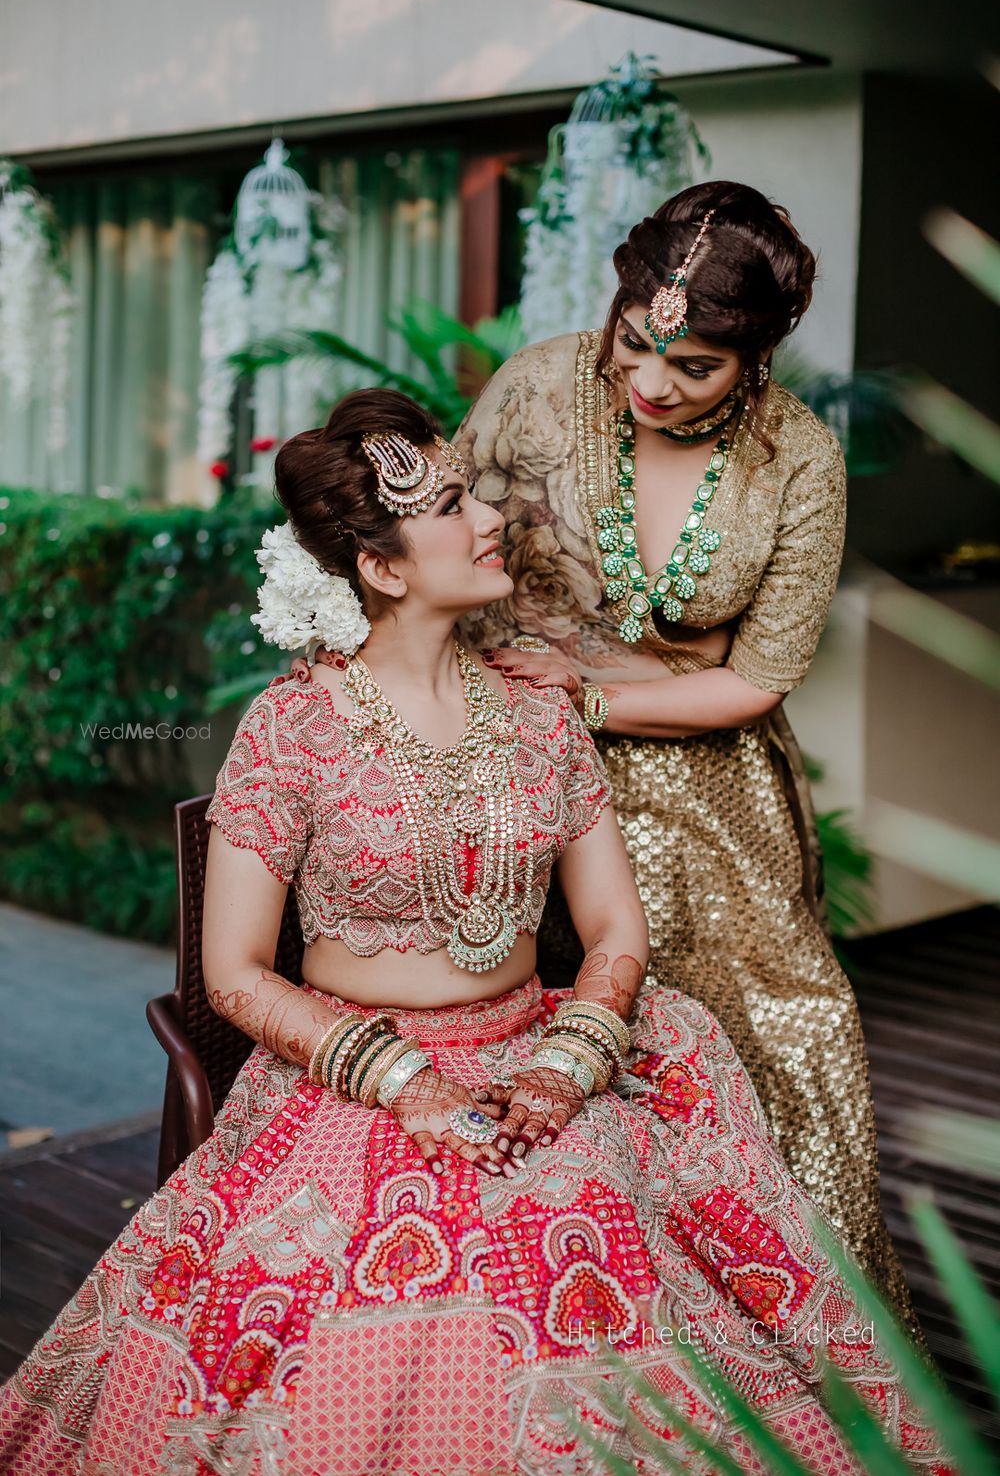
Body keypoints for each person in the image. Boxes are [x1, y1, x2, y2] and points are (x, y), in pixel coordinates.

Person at [0, 391, 948, 1475]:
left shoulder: (540, 711)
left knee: (583, 1207)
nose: (488, 515)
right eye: (450, 503)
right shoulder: (296, 726)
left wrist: (564, 1065)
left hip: (535, 1055)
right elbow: (233, 974)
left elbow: (611, 931)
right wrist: (410, 1085)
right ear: (383, 568)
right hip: (354, 1082)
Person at [449, 179, 915, 1329]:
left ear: (755, 358)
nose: (651, 382)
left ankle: (800, 1346)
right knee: (535, 1038)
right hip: (510, 760)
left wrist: (597, 690)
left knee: (787, 1035)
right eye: (636, 344)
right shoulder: (540, 388)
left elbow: (753, 681)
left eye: (693, 366)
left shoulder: (797, 460)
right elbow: (443, 549)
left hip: (707, 797)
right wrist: (630, 672)